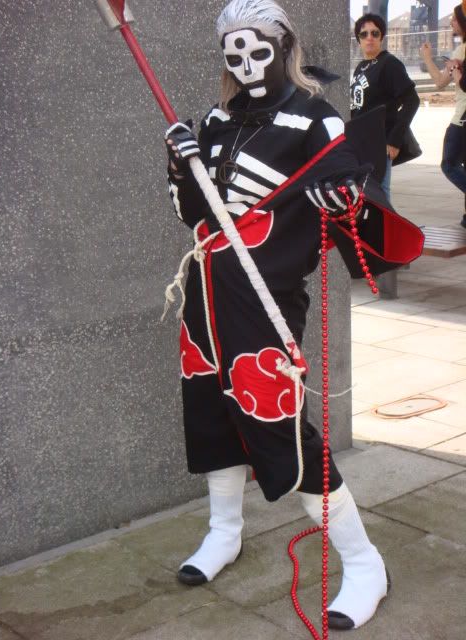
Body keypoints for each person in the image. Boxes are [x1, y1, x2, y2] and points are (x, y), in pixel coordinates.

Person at [164, 0, 421, 631]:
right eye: (233, 54)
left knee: (282, 428)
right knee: (210, 410)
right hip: (205, 294)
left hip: (266, 297)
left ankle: (364, 563)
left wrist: (343, 195)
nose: (245, 64)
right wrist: (181, 163)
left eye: (257, 51)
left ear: (285, 47)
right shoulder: (217, 120)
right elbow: (192, 214)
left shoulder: (315, 119)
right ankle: (225, 530)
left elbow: (347, 200)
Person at [350, 13, 420, 203]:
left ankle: (385, 232)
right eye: (364, 34)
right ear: (358, 40)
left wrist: (394, 140)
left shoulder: (389, 64)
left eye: (375, 33)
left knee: (379, 194)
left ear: (382, 37)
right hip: (361, 142)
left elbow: (412, 101)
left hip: (380, 141)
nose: (369, 38)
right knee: (365, 194)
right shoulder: (361, 67)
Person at [421, 3, 466, 229]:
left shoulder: (461, 51)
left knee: (449, 164)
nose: (451, 22)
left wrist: (428, 58)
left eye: (455, 19)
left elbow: (440, 81)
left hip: (462, 118)